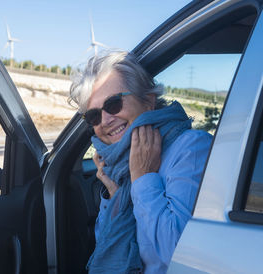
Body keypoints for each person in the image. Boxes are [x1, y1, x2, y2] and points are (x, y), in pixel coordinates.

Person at [69, 50, 212, 274]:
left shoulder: (191, 148)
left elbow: (179, 256)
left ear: (148, 101)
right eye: (94, 116)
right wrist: (116, 193)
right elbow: (109, 245)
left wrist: (143, 179)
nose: (105, 120)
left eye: (114, 104)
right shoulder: (119, 168)